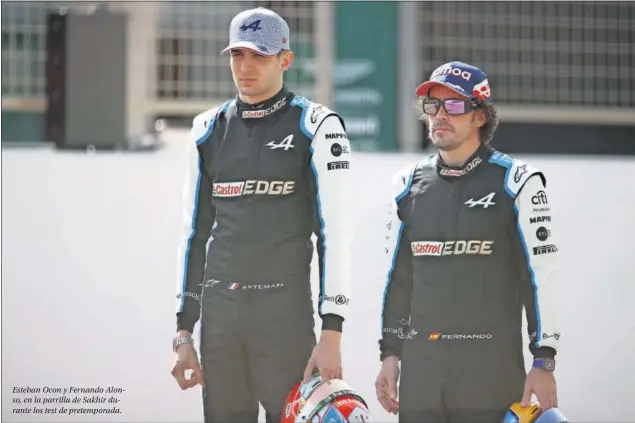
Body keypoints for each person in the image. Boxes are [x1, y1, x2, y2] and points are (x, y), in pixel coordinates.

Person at [170, 7, 354, 423]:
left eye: (259, 55)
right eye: (238, 55)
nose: (246, 66)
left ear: (285, 60)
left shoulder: (317, 125)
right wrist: (183, 332)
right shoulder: (206, 129)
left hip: (283, 314)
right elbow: (193, 235)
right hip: (220, 318)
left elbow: (334, 233)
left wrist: (332, 331)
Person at [374, 61, 561, 423]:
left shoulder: (518, 182)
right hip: (423, 372)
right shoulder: (407, 184)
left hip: (490, 369)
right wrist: (390, 355)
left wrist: (544, 359)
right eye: (434, 105)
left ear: (480, 116)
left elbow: (539, 277)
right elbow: (399, 280)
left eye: (455, 105)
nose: (441, 115)